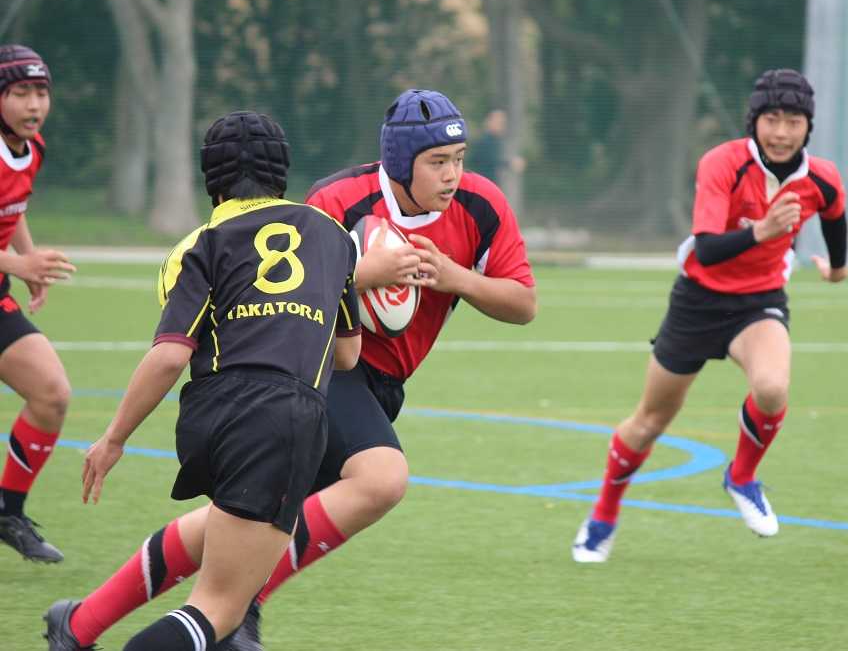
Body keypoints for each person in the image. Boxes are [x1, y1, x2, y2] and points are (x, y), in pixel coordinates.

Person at [44, 89, 536, 650]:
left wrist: (454, 277)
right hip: (317, 368)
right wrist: (366, 273)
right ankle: (242, 607)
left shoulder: (482, 203)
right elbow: (287, 286)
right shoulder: (337, 199)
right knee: (381, 479)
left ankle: (79, 623)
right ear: (401, 162)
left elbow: (523, 304)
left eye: (459, 159)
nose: (452, 174)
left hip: (371, 385)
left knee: (231, 525)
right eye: (437, 161)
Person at [45, 110, 363, 651]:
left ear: (211, 179)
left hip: (209, 415)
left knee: (218, 532)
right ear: (281, 171)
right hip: (281, 417)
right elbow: (349, 354)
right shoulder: (333, 236)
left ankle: (78, 624)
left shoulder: (196, 244)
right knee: (218, 610)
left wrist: (113, 438)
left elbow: (172, 355)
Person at [572, 69, 848, 563]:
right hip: (698, 301)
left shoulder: (822, 177)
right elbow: (707, 247)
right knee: (650, 420)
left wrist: (838, 269)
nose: (781, 132)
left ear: (809, 127)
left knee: (772, 388)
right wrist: (762, 231)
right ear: (754, 121)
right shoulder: (723, 163)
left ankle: (741, 476)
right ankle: (603, 515)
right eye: (771, 119)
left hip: (759, 301)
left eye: (793, 121)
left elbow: (835, 215)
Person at [0, 43, 76, 564]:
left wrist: (26, 261)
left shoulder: (32, 149)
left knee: (52, 395)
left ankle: (8, 513)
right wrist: (18, 264)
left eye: (41, 92)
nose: (34, 105)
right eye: (21, 92)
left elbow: (14, 206)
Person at [467, 108, 524, 183]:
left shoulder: (495, 141)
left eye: (503, 123)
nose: (501, 126)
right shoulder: (485, 141)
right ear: (488, 122)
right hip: (483, 183)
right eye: (498, 122)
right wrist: (510, 164)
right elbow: (490, 161)